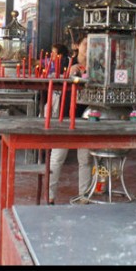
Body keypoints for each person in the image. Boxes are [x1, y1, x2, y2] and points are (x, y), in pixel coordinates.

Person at [48, 35, 92, 204]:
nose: (88, 47)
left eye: (92, 44)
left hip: (87, 114)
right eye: (85, 44)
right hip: (66, 113)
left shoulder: (97, 65)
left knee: (85, 158)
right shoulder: (66, 62)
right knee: (57, 156)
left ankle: (84, 197)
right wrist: (70, 71)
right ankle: (50, 195)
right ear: (77, 45)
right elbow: (57, 81)